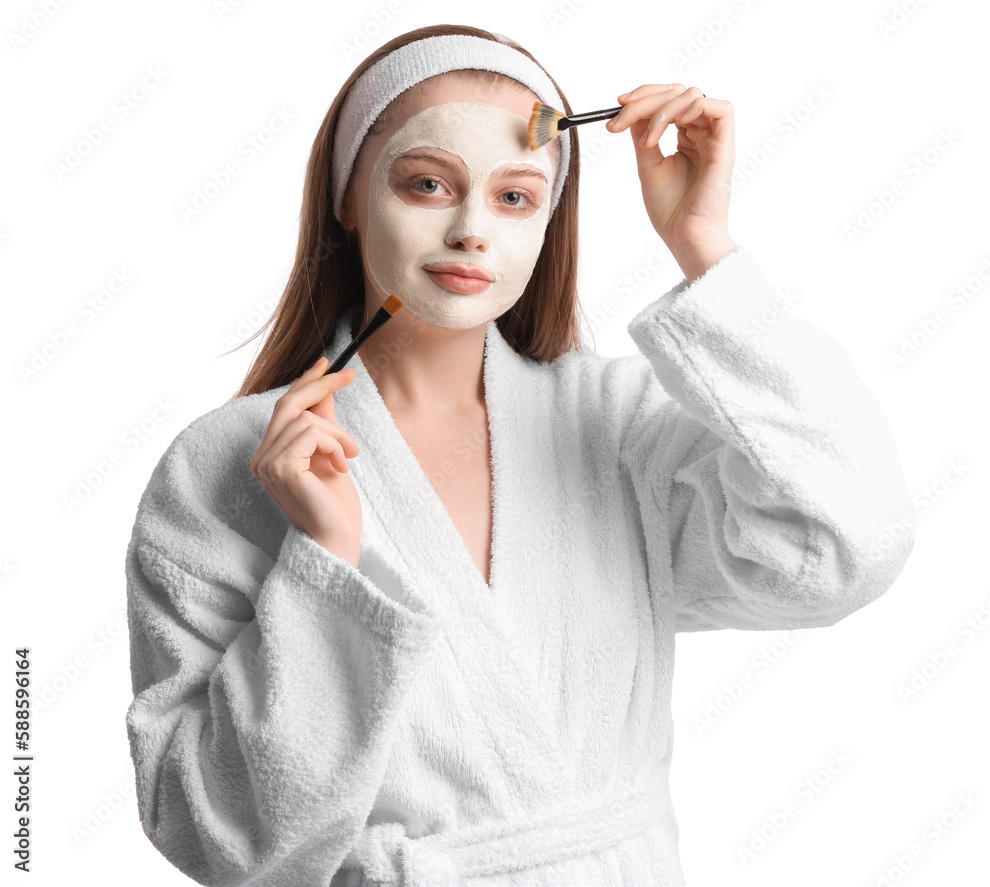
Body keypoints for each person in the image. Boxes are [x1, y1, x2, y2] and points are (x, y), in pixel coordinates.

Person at [124, 23, 915, 887]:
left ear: (548, 219)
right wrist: (324, 564)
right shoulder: (224, 468)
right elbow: (226, 842)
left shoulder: (616, 429)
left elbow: (849, 543)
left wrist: (705, 248)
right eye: (429, 183)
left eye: (515, 197)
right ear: (349, 195)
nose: (471, 230)